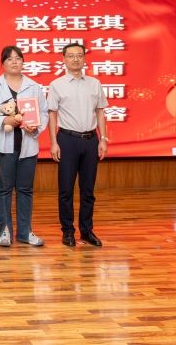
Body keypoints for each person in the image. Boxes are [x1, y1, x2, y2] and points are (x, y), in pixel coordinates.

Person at [0, 46, 48, 247]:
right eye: (9, 59)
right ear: (3, 63)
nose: (14, 62)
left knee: (25, 189)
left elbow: (43, 112)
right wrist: (5, 121)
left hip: (28, 145)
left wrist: (36, 127)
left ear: (23, 62)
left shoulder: (34, 86)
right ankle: (4, 232)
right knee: (4, 189)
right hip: (2, 146)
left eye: (18, 58)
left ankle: (25, 232)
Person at [47, 42, 109, 248]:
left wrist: (103, 139)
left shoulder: (94, 83)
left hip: (91, 140)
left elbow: (100, 111)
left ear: (84, 59)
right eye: (71, 56)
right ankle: (67, 231)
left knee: (88, 190)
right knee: (66, 190)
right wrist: (53, 142)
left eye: (79, 55)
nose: (75, 59)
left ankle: (87, 230)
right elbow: (52, 114)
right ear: (64, 59)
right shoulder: (57, 85)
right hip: (67, 140)